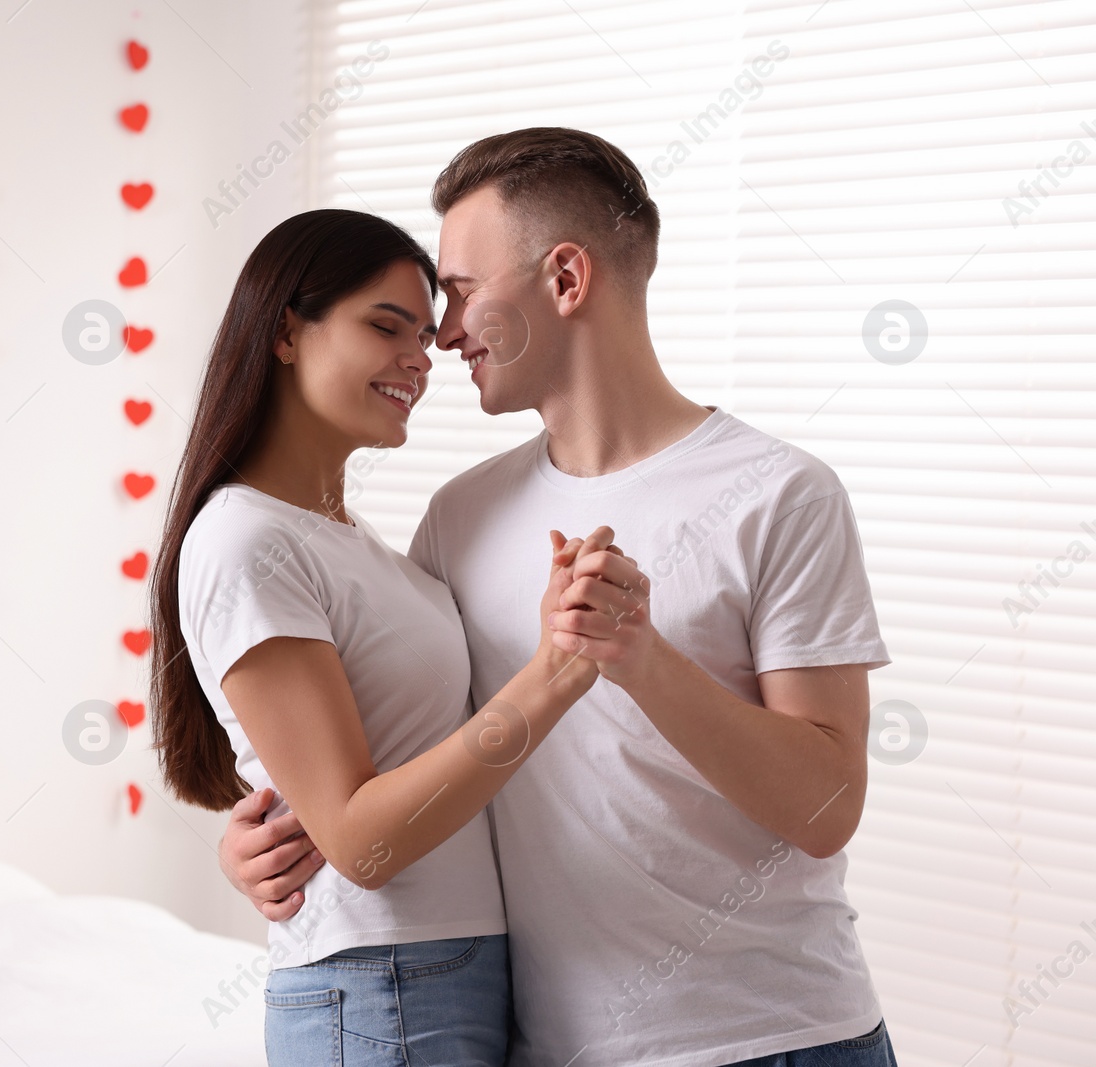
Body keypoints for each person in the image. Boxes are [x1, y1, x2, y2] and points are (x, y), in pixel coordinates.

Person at [219, 128, 900, 1067]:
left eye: (457, 294)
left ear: (566, 280)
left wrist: (642, 657)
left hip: (775, 1040)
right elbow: (409, 761)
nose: (445, 334)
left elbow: (827, 807)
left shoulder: (782, 493)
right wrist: (267, 840)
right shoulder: (461, 517)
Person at [149, 207, 624, 1066]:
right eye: (385, 326)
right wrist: (553, 674)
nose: (420, 357)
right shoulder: (247, 539)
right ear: (288, 332)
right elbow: (360, 840)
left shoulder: (349, 539)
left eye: (424, 332)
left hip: (443, 970)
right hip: (383, 979)